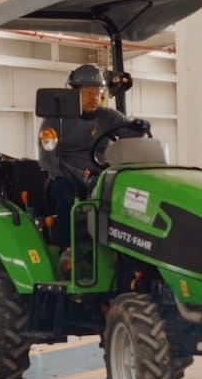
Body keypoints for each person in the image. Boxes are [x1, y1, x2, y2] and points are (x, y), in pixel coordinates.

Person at [38, 64, 143, 248]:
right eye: (88, 92)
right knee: (67, 196)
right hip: (65, 177)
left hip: (101, 176)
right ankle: (68, 250)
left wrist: (140, 127)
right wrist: (79, 176)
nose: (95, 97)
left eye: (98, 91)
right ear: (73, 92)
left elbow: (130, 131)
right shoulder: (54, 120)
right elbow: (48, 159)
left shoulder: (107, 116)